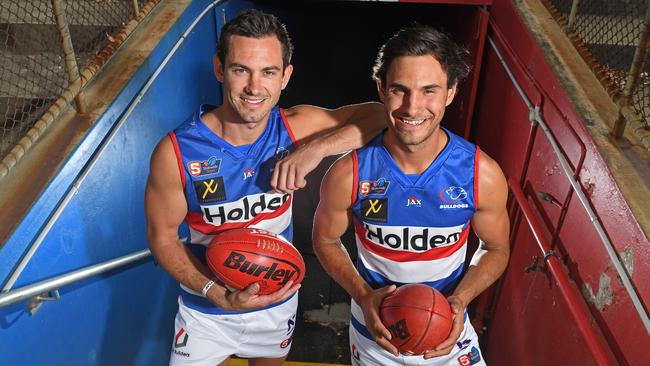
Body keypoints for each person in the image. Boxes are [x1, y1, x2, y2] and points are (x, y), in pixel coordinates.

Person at [145, 9, 385, 366]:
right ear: (219, 69)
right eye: (241, 69)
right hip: (206, 308)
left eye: (268, 72)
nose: (255, 87)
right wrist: (214, 291)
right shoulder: (177, 152)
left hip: (277, 297)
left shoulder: (294, 128)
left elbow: (381, 115)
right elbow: (162, 238)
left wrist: (312, 151)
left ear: (285, 76)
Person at [312, 25, 510, 366]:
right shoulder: (350, 174)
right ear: (382, 89)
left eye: (429, 91)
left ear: (451, 92)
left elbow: (496, 248)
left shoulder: (481, 174)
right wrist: (363, 294)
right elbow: (326, 240)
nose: (413, 107)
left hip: (448, 331)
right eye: (400, 90)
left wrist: (460, 300)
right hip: (376, 334)